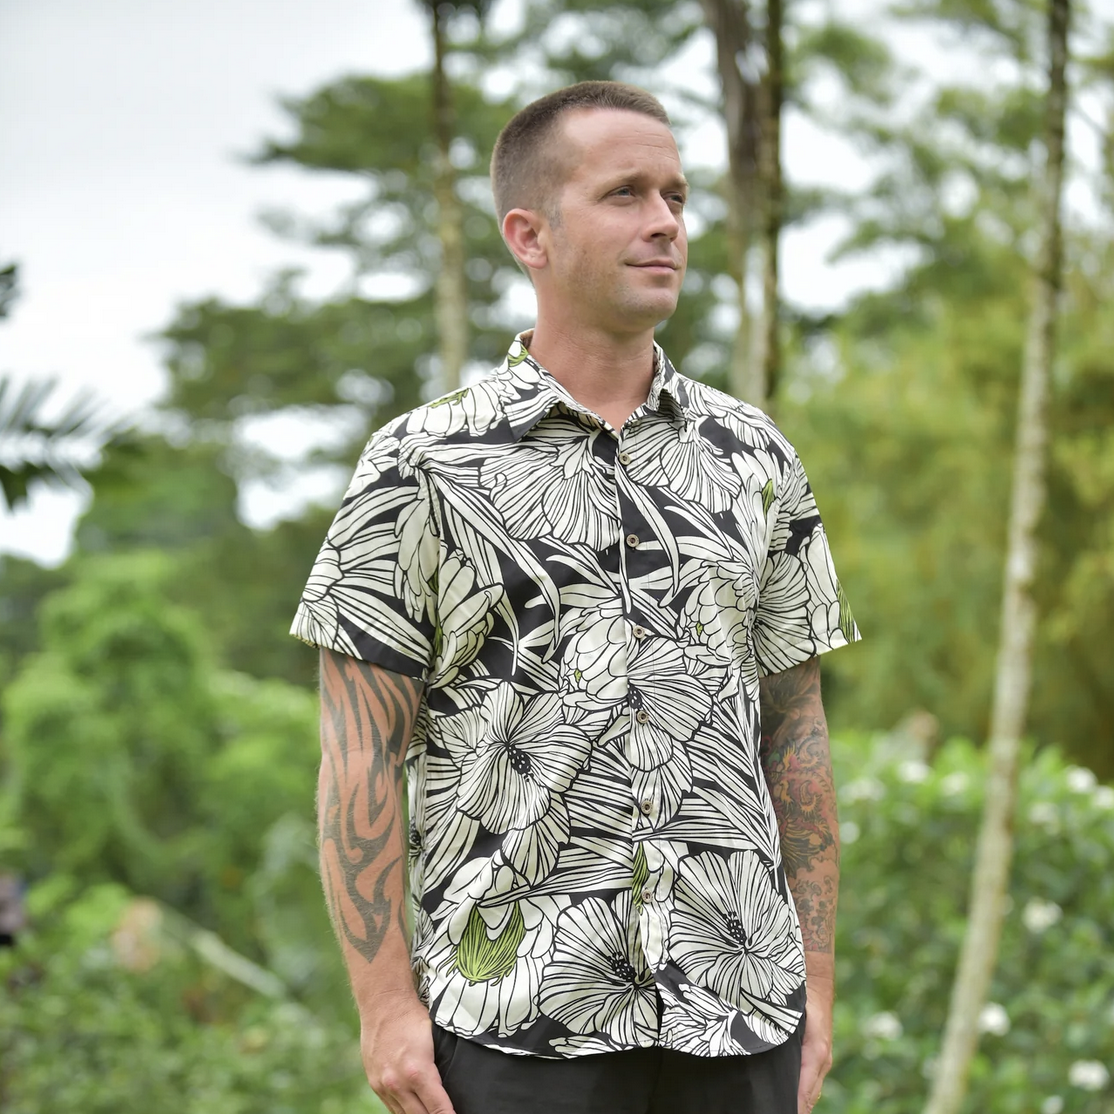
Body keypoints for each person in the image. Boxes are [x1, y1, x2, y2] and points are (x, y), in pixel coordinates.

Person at [291, 80, 860, 1114]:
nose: (664, 223)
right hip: (510, 1023)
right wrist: (383, 1007)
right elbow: (359, 748)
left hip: (739, 1018)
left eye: (677, 197)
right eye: (625, 194)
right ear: (529, 234)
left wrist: (815, 986)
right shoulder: (421, 464)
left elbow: (795, 728)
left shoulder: (755, 456)